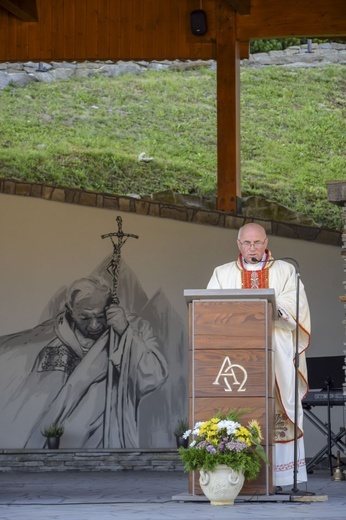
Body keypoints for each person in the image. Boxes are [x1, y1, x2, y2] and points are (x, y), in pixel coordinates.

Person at [0, 277, 168, 449]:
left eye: (101, 316)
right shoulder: (47, 336)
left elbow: (152, 377)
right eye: (85, 318)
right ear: (70, 310)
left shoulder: (135, 328)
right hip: (55, 446)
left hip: (110, 442)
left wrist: (124, 331)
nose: (94, 325)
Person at [207, 222, 310, 488]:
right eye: (247, 243)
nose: (252, 248)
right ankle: (233, 473)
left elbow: (297, 305)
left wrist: (273, 307)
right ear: (238, 244)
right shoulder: (222, 273)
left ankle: (283, 475)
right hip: (236, 353)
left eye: (257, 242)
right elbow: (208, 309)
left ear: (266, 242)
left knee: (279, 406)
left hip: (278, 350)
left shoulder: (286, 270)